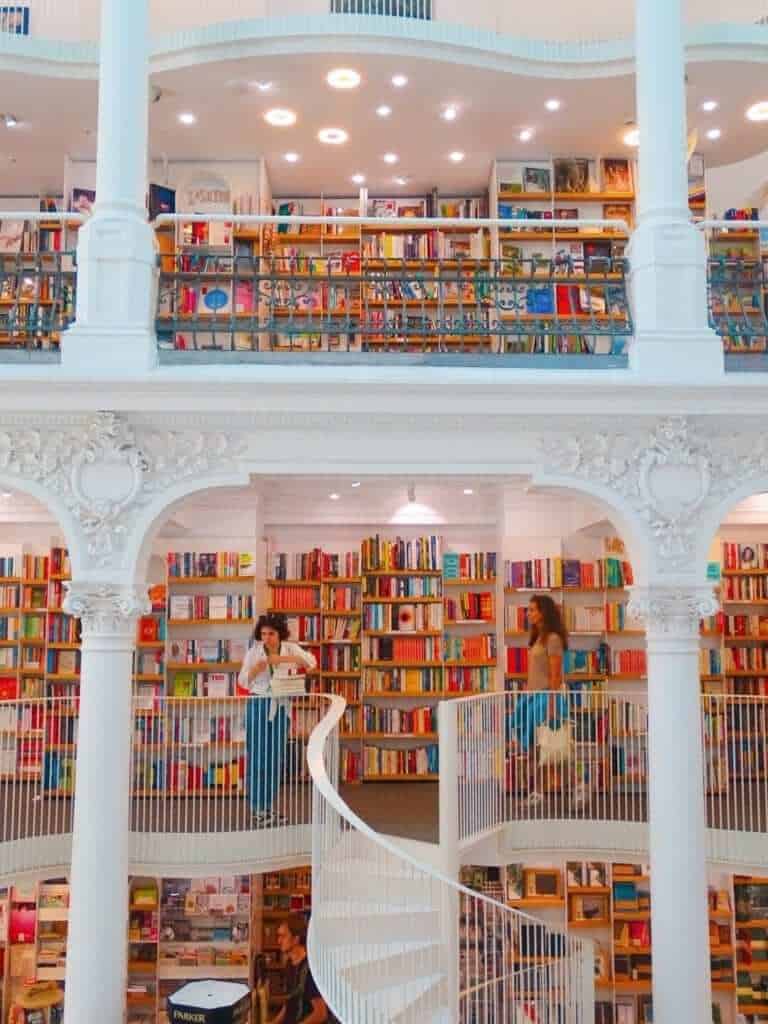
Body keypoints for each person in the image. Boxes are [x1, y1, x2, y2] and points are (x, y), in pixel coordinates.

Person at [237, 612, 317, 827]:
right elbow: (243, 681)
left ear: (280, 634)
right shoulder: (254, 652)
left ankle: (268, 808)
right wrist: (256, 669)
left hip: (281, 708)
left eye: (271, 634)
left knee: (275, 760)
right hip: (259, 705)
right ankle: (257, 809)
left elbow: (311, 663)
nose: (267, 638)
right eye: (263, 634)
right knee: (258, 759)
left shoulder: (290, 648)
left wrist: (280, 660)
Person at [507, 594, 574, 808]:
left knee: (550, 747)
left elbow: (555, 676)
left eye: (533, 610)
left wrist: (553, 704)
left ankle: (576, 784)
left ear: (544, 612)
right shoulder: (538, 638)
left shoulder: (553, 639)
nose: (529, 614)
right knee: (535, 748)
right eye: (529, 610)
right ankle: (537, 792)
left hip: (547, 698)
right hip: (533, 697)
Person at [274, 916, 328, 1024]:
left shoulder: (310, 970)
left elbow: (321, 1014)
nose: (278, 941)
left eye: (283, 936)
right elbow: (290, 1002)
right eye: (278, 936)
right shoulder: (289, 964)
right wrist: (274, 1022)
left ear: (296, 939)